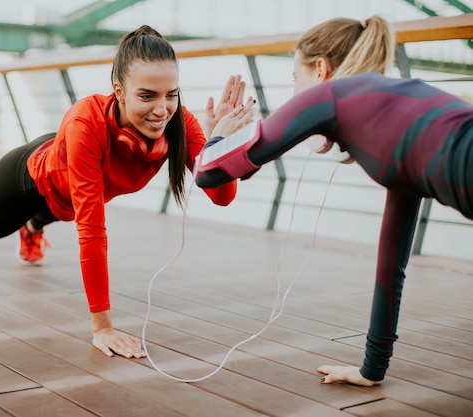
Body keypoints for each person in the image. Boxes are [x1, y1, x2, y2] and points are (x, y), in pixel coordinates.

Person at [0, 25, 255, 359]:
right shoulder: (85, 121)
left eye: (171, 95)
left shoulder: (180, 122)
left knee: (63, 209)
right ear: (119, 91)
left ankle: (33, 227)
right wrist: (102, 328)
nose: (161, 109)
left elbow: (222, 197)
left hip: (68, 193)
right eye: (146, 96)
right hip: (31, 178)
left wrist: (218, 143)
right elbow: (91, 230)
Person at [196, 17, 473, 386]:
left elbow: (209, 173)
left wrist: (218, 135)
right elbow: (391, 267)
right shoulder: (398, 106)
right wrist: (371, 370)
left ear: (321, 68)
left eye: (296, 76)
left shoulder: (327, 95)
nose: (296, 90)